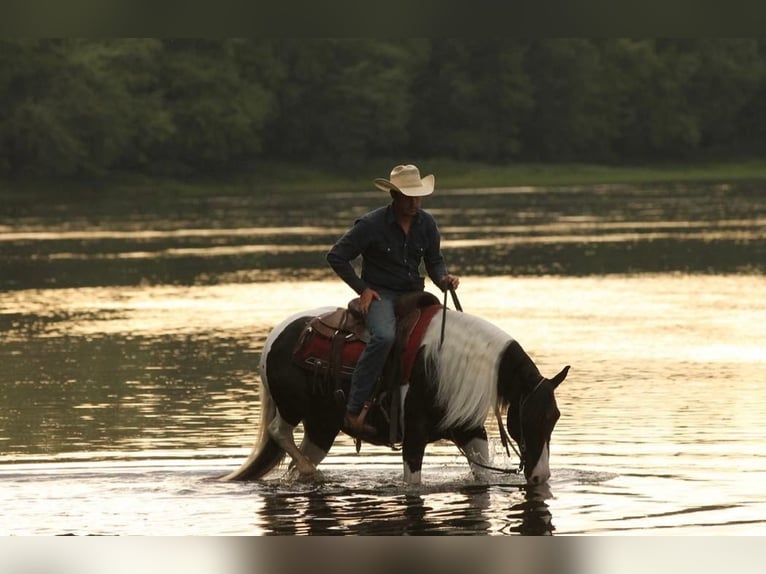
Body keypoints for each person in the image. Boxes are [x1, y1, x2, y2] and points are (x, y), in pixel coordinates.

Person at [326, 164, 460, 435]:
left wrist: (444, 279)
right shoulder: (370, 225)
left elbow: (434, 262)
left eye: (417, 196)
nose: (414, 202)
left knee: (446, 334)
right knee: (384, 337)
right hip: (381, 294)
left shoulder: (427, 223)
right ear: (394, 196)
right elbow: (336, 256)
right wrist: (362, 288)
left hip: (415, 292)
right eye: (408, 196)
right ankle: (354, 410)